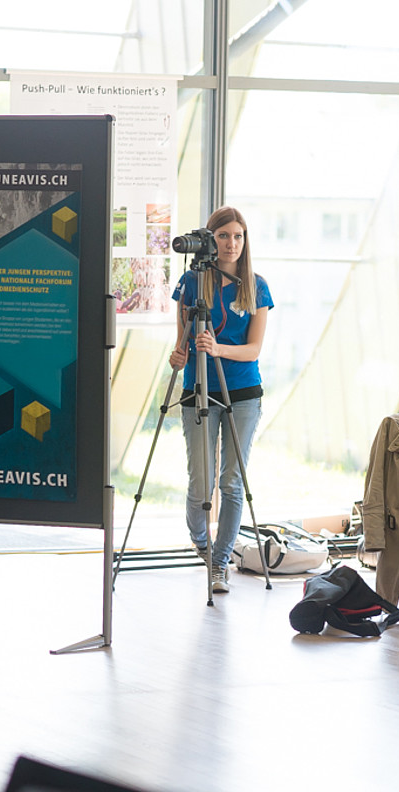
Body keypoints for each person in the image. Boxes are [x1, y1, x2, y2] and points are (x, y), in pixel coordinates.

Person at [169, 206, 273, 593]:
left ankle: (221, 560)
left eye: (239, 236)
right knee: (201, 483)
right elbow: (180, 340)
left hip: (243, 393)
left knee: (231, 481)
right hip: (198, 389)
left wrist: (217, 350)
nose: (232, 244)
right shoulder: (192, 282)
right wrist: (178, 355)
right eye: (224, 236)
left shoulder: (256, 286)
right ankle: (202, 545)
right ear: (210, 240)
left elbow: (254, 349)